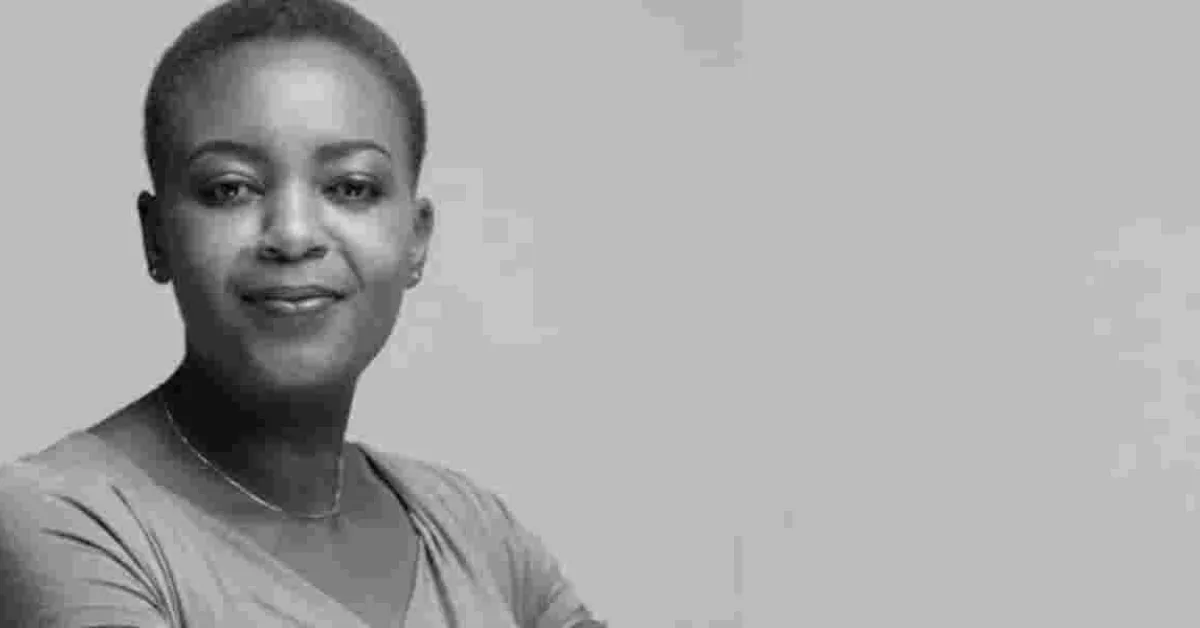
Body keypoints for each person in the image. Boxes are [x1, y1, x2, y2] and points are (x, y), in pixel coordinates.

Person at [0, 1, 606, 626]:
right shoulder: (57, 519)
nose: (292, 235)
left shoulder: (474, 530)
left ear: (417, 238)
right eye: (230, 189)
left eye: (351, 188)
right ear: (156, 237)